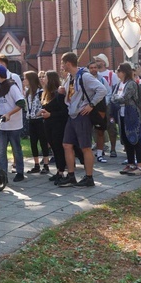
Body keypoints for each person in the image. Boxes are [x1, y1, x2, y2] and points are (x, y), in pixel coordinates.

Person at [57, 52, 107, 188]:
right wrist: (63, 91)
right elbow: (71, 95)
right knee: (66, 145)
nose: (61, 66)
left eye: (62, 63)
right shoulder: (70, 77)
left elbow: (102, 90)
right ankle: (71, 176)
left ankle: (89, 177)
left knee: (85, 147)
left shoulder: (85, 76)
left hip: (82, 116)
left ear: (68, 63)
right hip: (72, 115)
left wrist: (91, 105)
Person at [0, 65, 26, 182]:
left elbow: (21, 103)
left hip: (14, 125)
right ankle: (3, 175)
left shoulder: (12, 87)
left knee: (16, 149)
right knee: (1, 152)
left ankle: (20, 172)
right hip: (1, 125)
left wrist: (9, 114)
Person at [111, 63, 141, 175]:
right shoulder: (119, 84)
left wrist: (116, 98)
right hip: (122, 114)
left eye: (118, 71)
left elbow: (123, 98)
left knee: (135, 140)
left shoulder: (131, 84)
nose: (117, 73)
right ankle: (130, 163)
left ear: (124, 72)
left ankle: (139, 167)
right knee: (126, 140)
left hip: (132, 115)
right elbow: (113, 97)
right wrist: (116, 98)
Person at [40, 70, 68, 183]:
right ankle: (58, 170)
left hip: (57, 125)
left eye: (45, 77)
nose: (43, 79)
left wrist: (50, 114)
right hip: (48, 124)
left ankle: (61, 171)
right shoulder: (47, 93)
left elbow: (64, 112)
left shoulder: (58, 94)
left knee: (58, 148)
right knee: (54, 148)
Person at [23, 70, 50, 174]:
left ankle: (46, 164)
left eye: (25, 78)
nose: (23, 80)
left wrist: (40, 113)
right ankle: (36, 164)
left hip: (40, 120)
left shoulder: (40, 92)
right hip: (31, 120)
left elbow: (44, 105)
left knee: (43, 141)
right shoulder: (27, 92)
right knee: (33, 142)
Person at [93, 53, 119, 158]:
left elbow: (114, 89)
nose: (97, 63)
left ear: (103, 62)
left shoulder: (111, 74)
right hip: (96, 105)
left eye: (98, 60)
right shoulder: (93, 75)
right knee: (97, 127)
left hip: (108, 104)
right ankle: (100, 147)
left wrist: (108, 101)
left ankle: (113, 148)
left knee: (111, 126)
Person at [88, 60, 111, 163]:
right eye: (91, 68)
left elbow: (108, 92)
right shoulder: (84, 79)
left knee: (100, 132)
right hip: (87, 108)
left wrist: (105, 104)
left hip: (100, 108)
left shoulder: (101, 80)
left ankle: (100, 154)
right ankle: (87, 154)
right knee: (86, 132)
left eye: (95, 67)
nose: (93, 69)